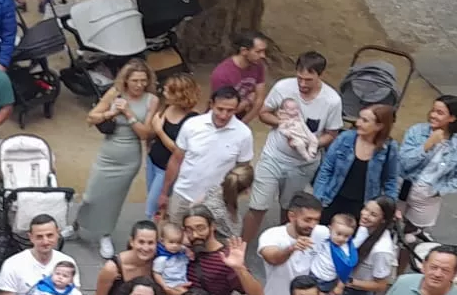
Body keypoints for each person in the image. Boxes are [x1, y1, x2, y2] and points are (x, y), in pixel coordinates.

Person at [241, 51, 342, 243]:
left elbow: (331, 134)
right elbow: (264, 113)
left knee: (289, 209)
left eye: (308, 80)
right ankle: (242, 248)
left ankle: (282, 246)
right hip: (274, 156)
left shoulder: (332, 100)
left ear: (320, 75)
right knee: (258, 206)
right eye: (299, 78)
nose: (302, 84)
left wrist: (309, 142)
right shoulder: (283, 87)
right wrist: (282, 123)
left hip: (303, 164)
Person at [74, 62, 157, 255]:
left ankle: (105, 234)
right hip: (108, 153)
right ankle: (77, 225)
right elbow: (91, 118)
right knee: (90, 197)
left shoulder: (151, 100)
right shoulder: (115, 93)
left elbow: (145, 134)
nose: (139, 85)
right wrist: (112, 112)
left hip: (130, 157)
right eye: (135, 80)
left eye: (143, 81)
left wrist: (129, 114)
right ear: (126, 80)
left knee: (114, 200)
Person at [159, 86, 255, 225]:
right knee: (174, 240)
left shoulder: (244, 134)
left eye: (230, 111)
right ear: (211, 105)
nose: (224, 115)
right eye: (220, 109)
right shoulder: (192, 125)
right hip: (183, 195)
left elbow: (242, 170)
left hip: (217, 201)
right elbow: (176, 160)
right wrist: (164, 192)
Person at [397, 96, 457, 232]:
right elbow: (404, 162)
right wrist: (427, 145)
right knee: (389, 223)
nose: (433, 115)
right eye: (433, 110)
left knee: (413, 233)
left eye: (440, 113)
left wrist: (441, 190)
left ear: (452, 118)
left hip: (428, 194)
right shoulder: (416, 132)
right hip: (402, 186)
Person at [312, 103, 401, 220]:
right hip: (331, 199)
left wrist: (390, 206)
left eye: (365, 121)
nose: (358, 123)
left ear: (379, 126)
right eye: (359, 118)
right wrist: (318, 198)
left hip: (363, 207)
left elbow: (391, 181)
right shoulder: (345, 138)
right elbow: (326, 169)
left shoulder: (389, 148)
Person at [139, 75, 200, 234]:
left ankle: (150, 234)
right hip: (154, 161)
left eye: (168, 90)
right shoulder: (168, 107)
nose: (164, 92)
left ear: (178, 94)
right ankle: (159, 234)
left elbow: (178, 150)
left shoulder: (192, 119)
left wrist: (159, 130)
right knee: (155, 202)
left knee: (153, 205)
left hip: (167, 169)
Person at [337, 198, 401, 295]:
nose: (365, 215)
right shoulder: (364, 228)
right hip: (342, 289)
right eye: (366, 209)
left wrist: (348, 281)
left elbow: (381, 285)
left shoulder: (382, 249)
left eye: (373, 214)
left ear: (383, 220)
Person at [91, 218, 160, 295]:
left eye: (150, 243)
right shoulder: (112, 268)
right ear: (132, 242)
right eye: (141, 242)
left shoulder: (158, 263)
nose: (145, 248)